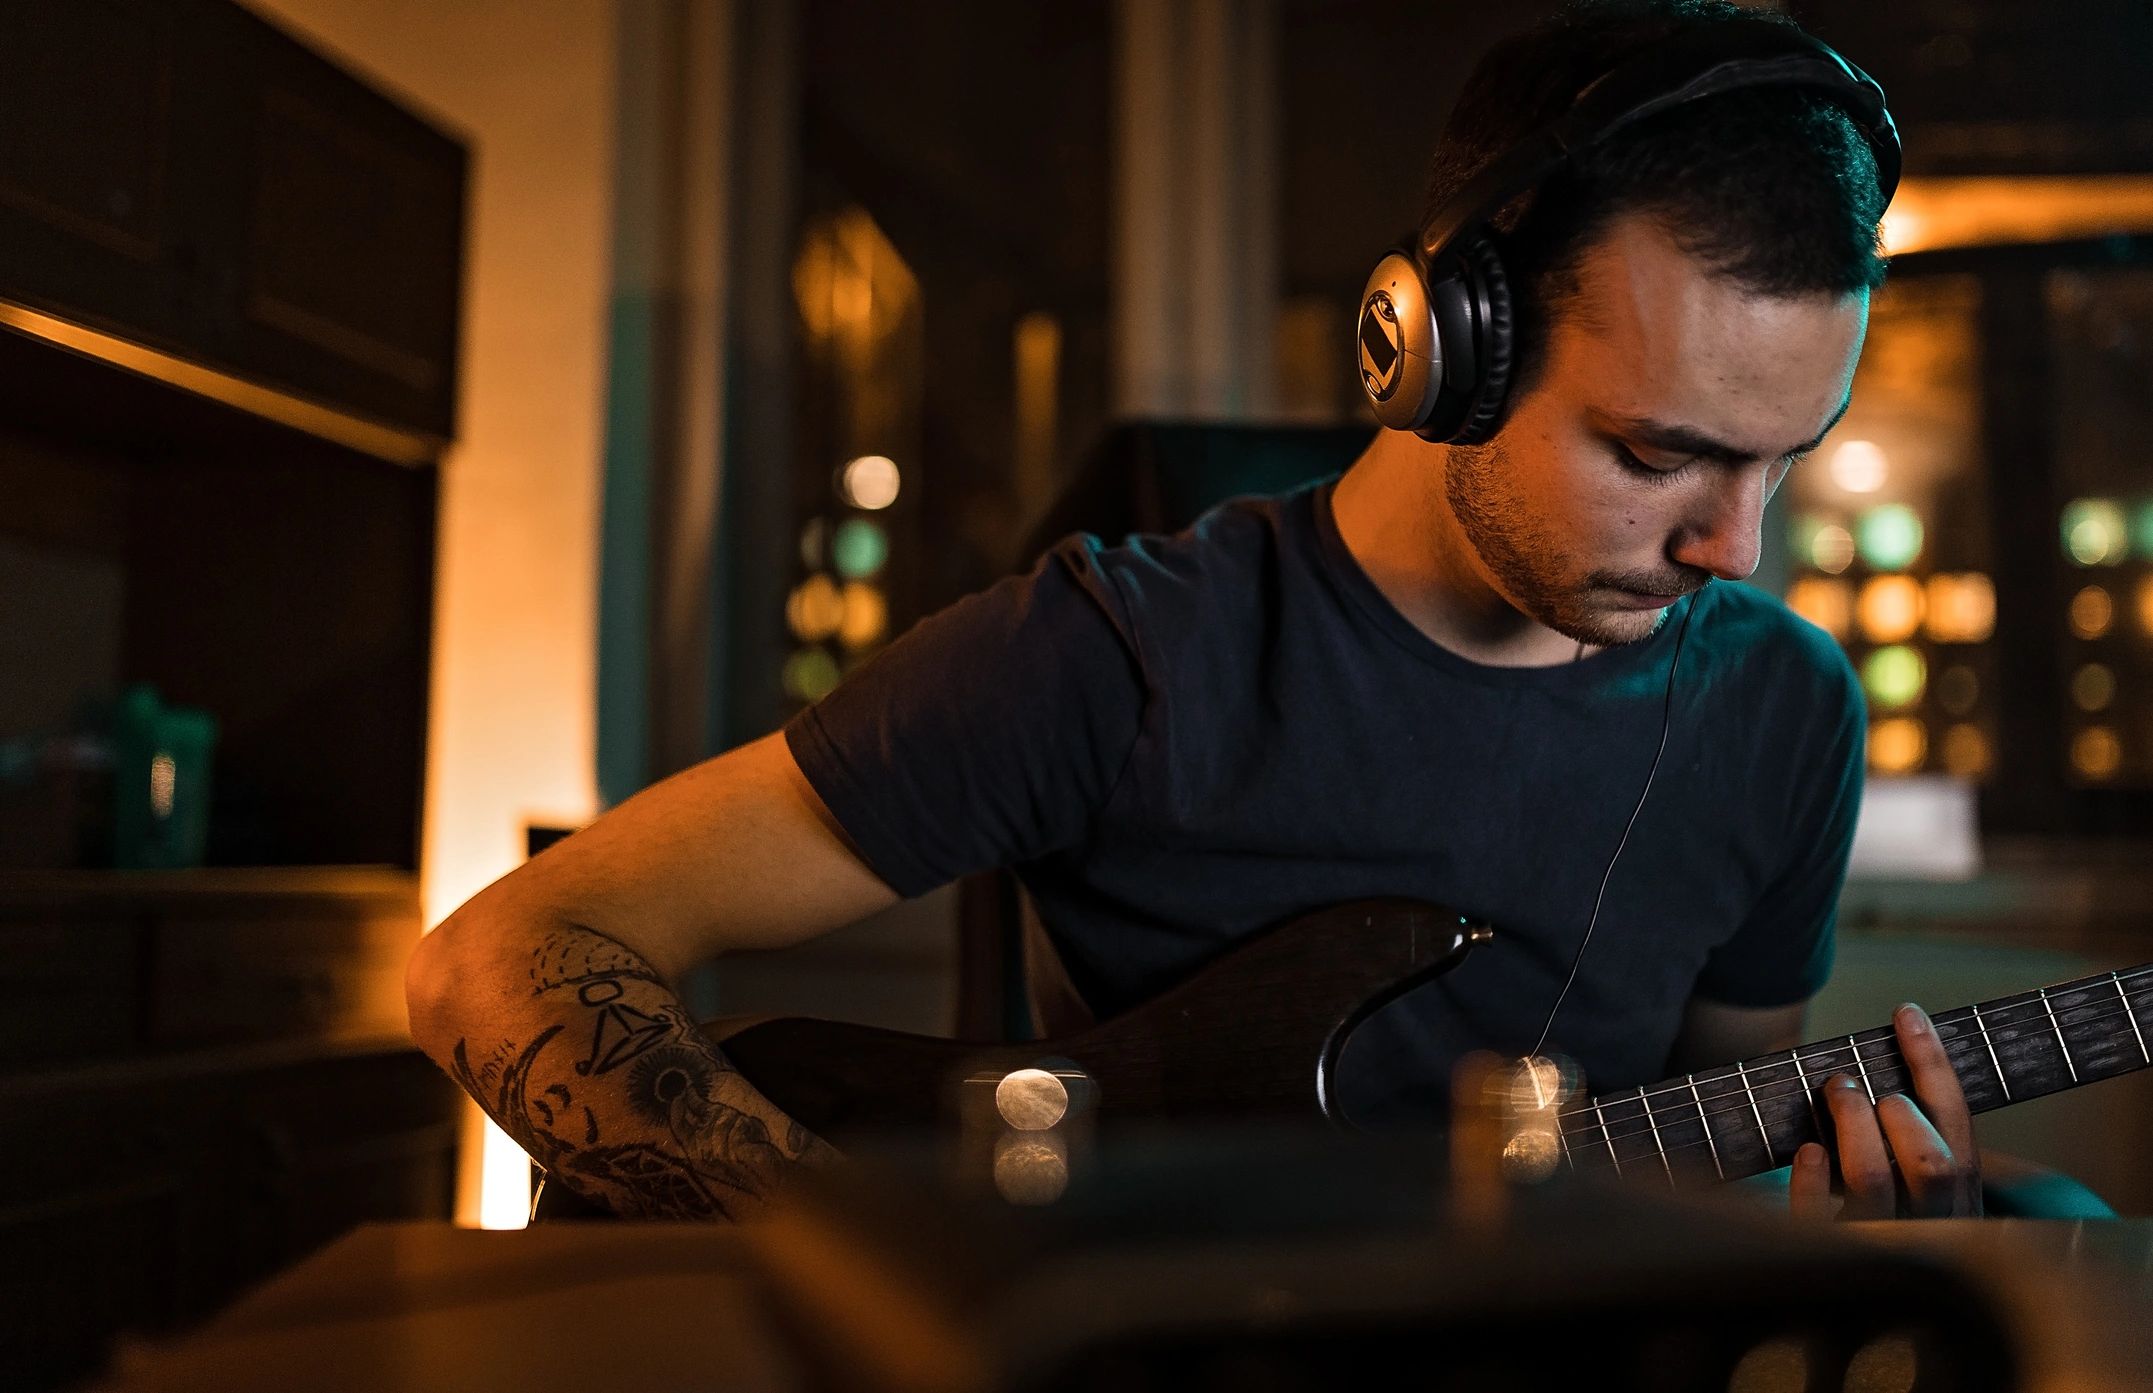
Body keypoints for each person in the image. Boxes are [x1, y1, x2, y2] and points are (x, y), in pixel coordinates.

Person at [405, 0, 1988, 1223]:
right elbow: (504, 961)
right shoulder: (1116, 652)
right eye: (1658, 454)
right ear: (1442, 352)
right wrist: (872, 1248)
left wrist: (1838, 1213)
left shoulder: (1787, 711)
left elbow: (1700, 1160)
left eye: (1783, 462)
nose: (1737, 547)